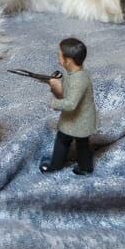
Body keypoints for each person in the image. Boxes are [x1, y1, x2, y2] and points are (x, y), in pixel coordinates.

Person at [40, 37, 99, 175]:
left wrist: (53, 103)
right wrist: (55, 86)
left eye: (59, 55)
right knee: (80, 143)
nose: (57, 58)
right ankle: (85, 167)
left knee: (65, 140)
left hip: (78, 120)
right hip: (77, 120)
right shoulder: (72, 75)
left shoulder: (79, 80)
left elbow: (71, 104)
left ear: (68, 60)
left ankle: (56, 166)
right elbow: (64, 94)